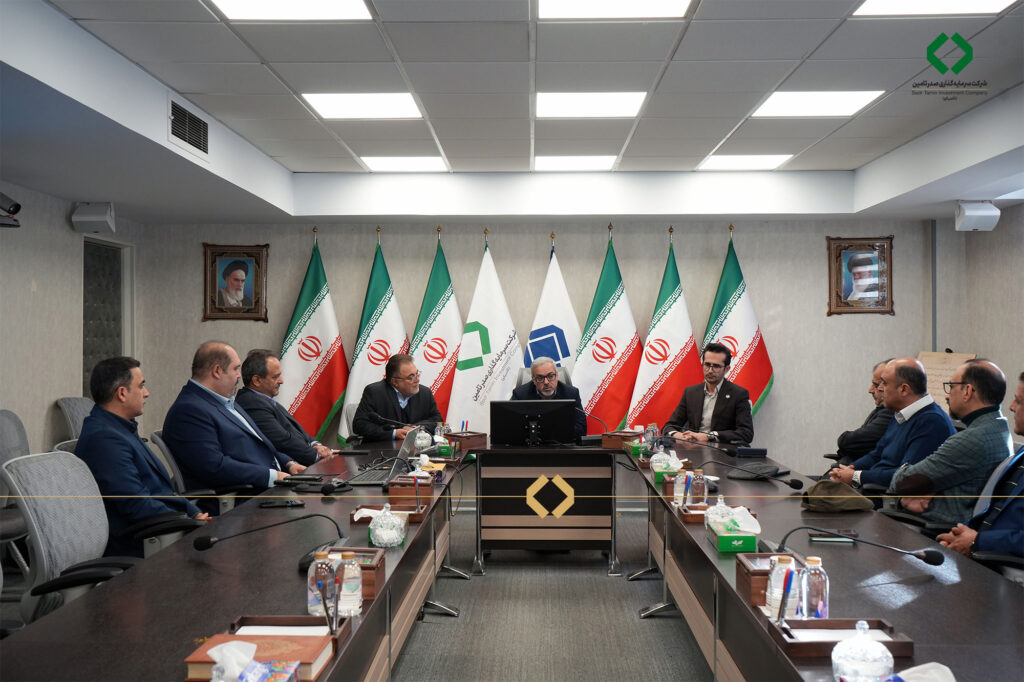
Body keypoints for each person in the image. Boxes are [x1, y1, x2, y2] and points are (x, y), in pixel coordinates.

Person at [76, 356, 209, 556]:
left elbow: (160, 492)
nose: (146, 393)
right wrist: (189, 522)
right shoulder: (104, 439)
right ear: (122, 393)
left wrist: (193, 513)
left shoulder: (120, 427)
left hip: (162, 528)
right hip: (142, 542)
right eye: (141, 386)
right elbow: (137, 505)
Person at [163, 341, 305, 510]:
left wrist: (288, 463)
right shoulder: (189, 410)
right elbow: (215, 467)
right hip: (243, 502)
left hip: (268, 490)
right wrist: (271, 476)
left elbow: (259, 443)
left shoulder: (225, 401)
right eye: (236, 368)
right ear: (217, 371)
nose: (239, 375)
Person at [890, 360, 1014, 526]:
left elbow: (901, 483)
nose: (947, 396)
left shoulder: (971, 440)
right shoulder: (999, 428)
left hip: (936, 528)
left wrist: (905, 472)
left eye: (951, 386)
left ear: (967, 391)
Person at [830, 357, 954, 490]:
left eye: (884, 383)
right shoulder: (901, 413)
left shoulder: (931, 422)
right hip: (872, 488)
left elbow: (908, 477)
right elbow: (877, 454)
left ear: (904, 389)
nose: (880, 388)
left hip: (887, 496)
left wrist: (856, 476)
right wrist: (848, 470)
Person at [937, 371, 1024, 559]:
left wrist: (977, 541)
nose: (1011, 407)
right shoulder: (1021, 454)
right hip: (982, 552)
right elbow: (993, 510)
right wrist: (960, 535)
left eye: (1019, 401)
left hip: (1003, 566)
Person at [236, 349, 335, 466]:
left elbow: (297, 432)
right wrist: (317, 456)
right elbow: (282, 441)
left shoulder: (263, 399)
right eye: (275, 377)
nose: (281, 381)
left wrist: (316, 445)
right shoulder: (251, 403)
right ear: (257, 380)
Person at [663, 342, 754, 445]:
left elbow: (746, 433)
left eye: (716, 366)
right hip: (693, 449)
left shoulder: (738, 394)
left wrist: (709, 436)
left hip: (721, 450)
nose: (710, 371)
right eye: (707, 365)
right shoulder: (690, 392)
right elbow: (668, 427)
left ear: (727, 369)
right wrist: (679, 435)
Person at [352, 353, 443, 442]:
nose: (417, 380)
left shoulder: (425, 393)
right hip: (383, 448)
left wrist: (417, 428)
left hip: (416, 448)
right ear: (395, 382)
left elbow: (437, 420)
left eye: (417, 374)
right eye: (411, 377)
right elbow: (360, 425)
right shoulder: (375, 392)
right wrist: (394, 433)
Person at [834, 360, 894, 464]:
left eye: (876, 384)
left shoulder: (890, 413)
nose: (870, 390)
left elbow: (851, 442)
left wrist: (853, 471)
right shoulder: (881, 410)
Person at [511, 357, 586, 439]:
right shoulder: (520, 395)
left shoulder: (571, 393)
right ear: (533, 380)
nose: (546, 382)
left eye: (550, 376)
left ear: (557, 376)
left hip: (563, 443)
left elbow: (581, 428)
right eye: (540, 378)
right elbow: (514, 428)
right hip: (533, 444)